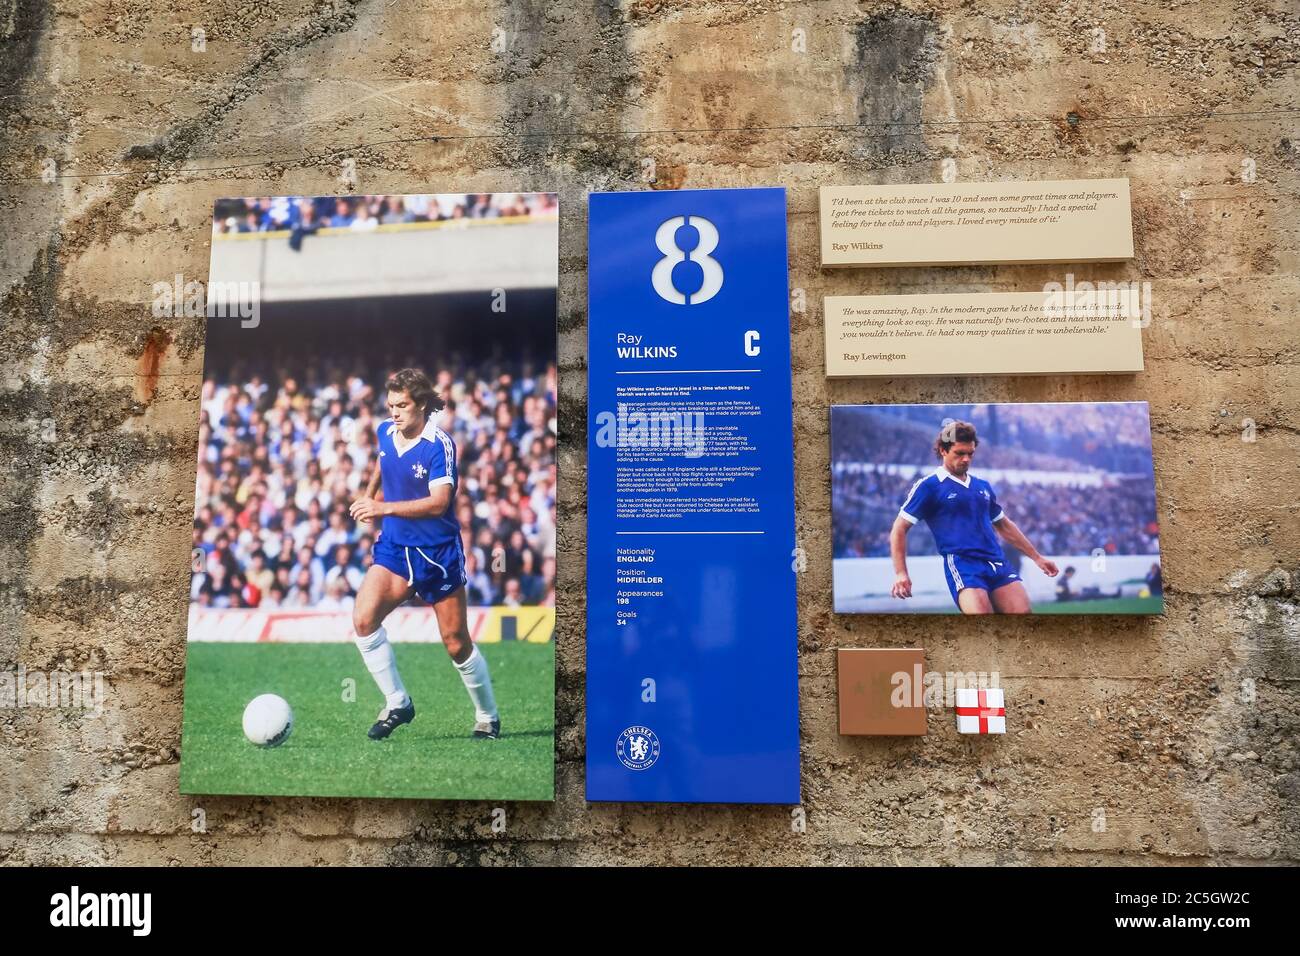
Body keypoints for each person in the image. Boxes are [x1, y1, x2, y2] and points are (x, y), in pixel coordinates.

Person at [347, 368, 500, 740]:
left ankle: (488, 716)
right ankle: (398, 702)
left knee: (456, 642)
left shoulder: (439, 445)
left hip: (436, 556)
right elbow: (382, 464)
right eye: (391, 405)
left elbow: (439, 502)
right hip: (395, 550)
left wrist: (382, 509)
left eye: (402, 406)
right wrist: (369, 495)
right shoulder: (386, 431)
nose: (395, 412)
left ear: (423, 405)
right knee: (364, 622)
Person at [889, 421, 1059, 614]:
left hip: (997, 562)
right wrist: (901, 573)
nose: (966, 459)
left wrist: (1037, 557)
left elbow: (1003, 525)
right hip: (964, 565)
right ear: (943, 451)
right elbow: (899, 529)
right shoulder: (929, 486)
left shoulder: (982, 486)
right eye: (960, 453)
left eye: (970, 453)